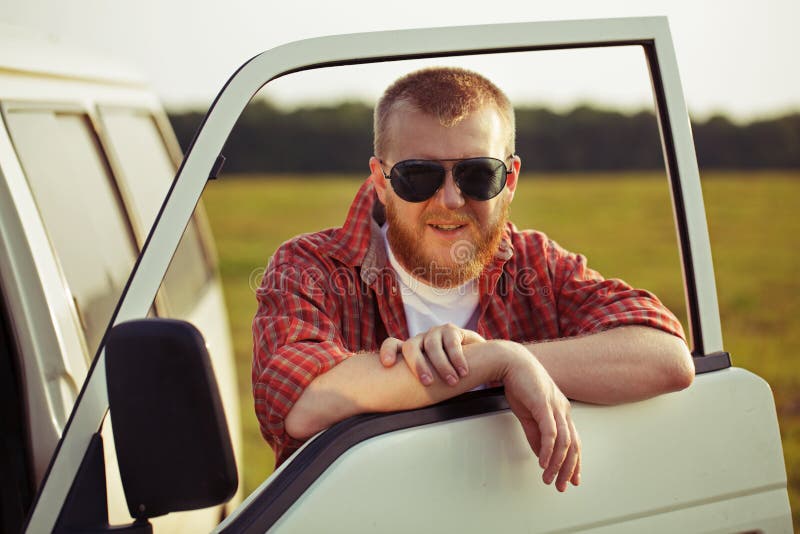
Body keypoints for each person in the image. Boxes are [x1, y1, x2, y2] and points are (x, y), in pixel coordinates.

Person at [252, 67, 694, 493]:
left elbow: (666, 355)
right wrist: (493, 363)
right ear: (381, 182)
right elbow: (300, 402)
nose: (449, 199)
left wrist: (520, 357)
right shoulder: (310, 266)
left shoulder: (534, 264)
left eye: (478, 175)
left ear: (511, 179)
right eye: (418, 175)